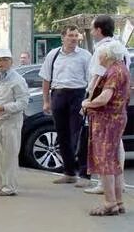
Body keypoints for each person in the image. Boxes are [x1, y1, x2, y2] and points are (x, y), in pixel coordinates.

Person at [82, 15, 130, 194]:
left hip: (106, 112)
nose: (92, 31)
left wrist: (88, 101)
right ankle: (119, 185)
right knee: (117, 146)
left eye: (93, 28)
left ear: (99, 30)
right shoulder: (121, 49)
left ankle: (106, 187)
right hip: (118, 110)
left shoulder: (105, 50)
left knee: (104, 150)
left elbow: (97, 78)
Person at [39, 25, 91, 185]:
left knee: (79, 134)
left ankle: (84, 174)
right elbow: (46, 78)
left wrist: (87, 100)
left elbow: (91, 80)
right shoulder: (53, 55)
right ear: (63, 37)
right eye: (71, 35)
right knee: (62, 135)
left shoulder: (85, 56)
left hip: (78, 94)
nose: (74, 38)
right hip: (59, 94)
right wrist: (46, 100)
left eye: (76, 36)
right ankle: (69, 172)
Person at [0, 49, 30, 196]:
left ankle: (10, 186)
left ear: (11, 61)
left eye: (4, 60)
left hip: (12, 121)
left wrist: (4, 107)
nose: (0, 63)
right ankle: (3, 183)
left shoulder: (17, 80)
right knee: (0, 155)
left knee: (10, 154)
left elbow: (23, 102)